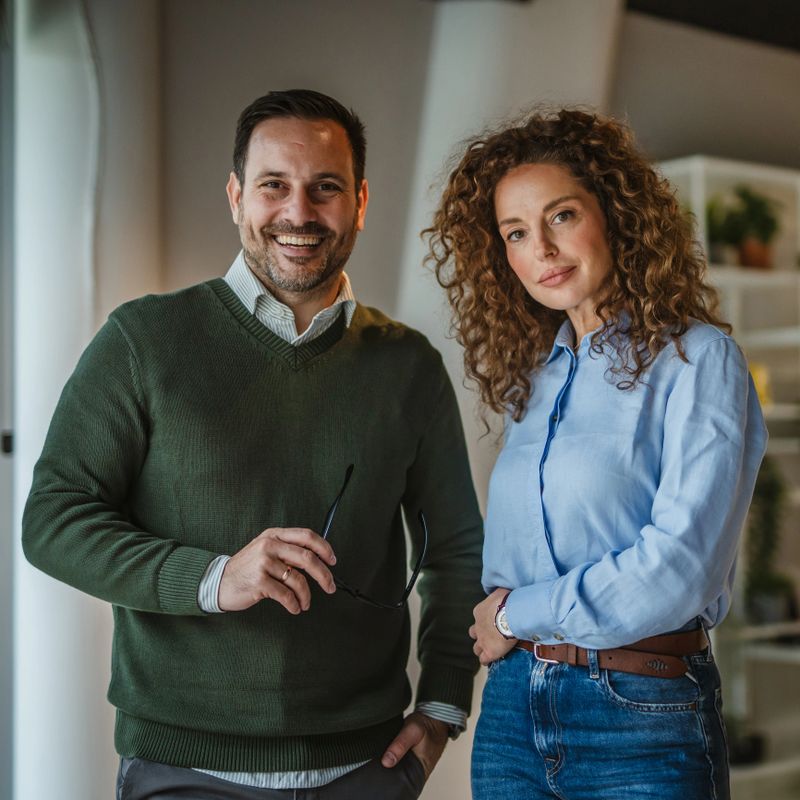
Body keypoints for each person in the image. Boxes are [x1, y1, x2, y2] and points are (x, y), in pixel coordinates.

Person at [22, 89, 483, 800]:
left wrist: (446, 706)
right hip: (183, 774)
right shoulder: (141, 341)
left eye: (325, 188)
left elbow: (453, 548)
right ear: (237, 196)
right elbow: (53, 521)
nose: (298, 213)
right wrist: (213, 578)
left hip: (368, 771)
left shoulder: (409, 367)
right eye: (274, 185)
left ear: (359, 203)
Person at [426, 108, 767, 799]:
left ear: (615, 214)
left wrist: (514, 613)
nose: (542, 250)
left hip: (639, 713)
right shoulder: (534, 379)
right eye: (516, 232)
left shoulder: (697, 361)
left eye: (561, 216)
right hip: (513, 711)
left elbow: (677, 571)